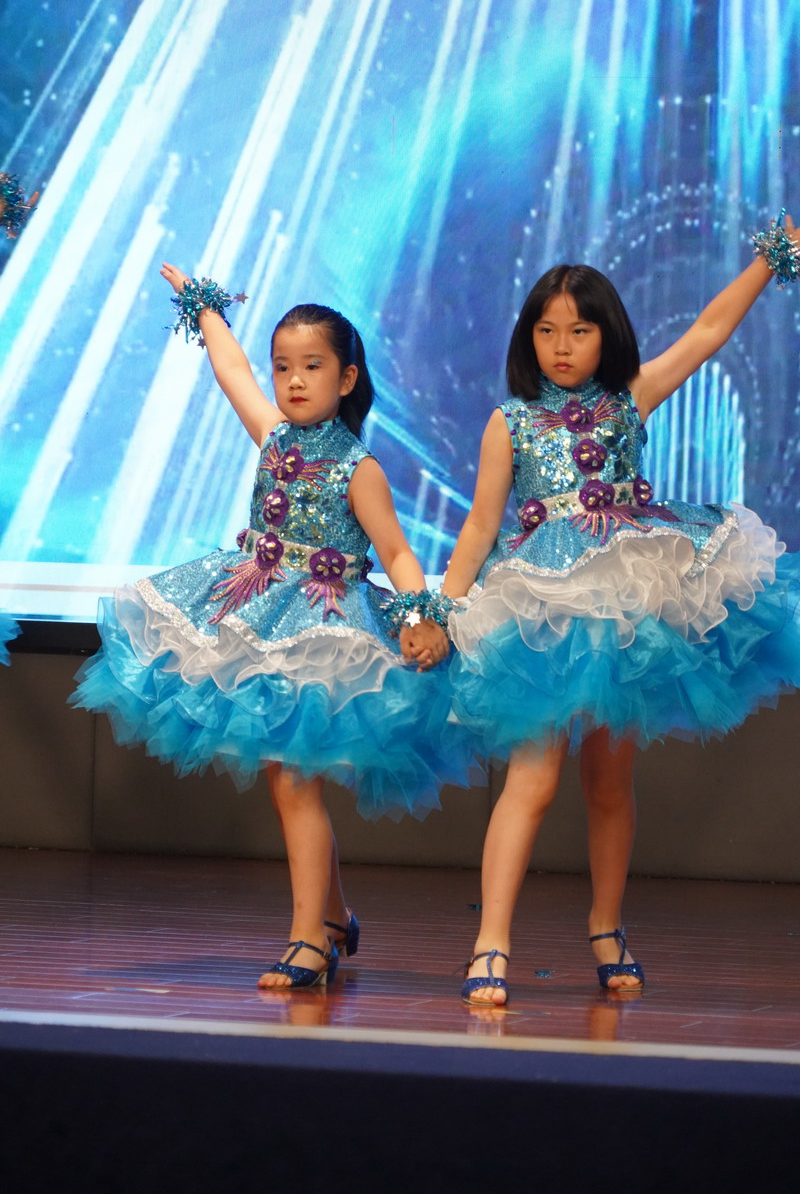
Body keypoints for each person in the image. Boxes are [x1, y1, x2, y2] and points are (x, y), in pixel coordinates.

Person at [442, 212, 800, 1005]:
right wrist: (438, 609)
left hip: (629, 605)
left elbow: (707, 333)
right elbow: (478, 527)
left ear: (607, 336)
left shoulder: (629, 400)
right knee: (532, 780)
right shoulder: (509, 422)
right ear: (528, 338)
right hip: (541, 612)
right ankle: (490, 941)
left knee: (608, 782)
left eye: (579, 330)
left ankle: (606, 927)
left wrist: (771, 259)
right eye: (546, 330)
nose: (562, 346)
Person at [72, 263, 462, 990]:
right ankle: (334, 920)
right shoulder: (275, 437)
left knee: (294, 783)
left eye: (312, 366)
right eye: (284, 367)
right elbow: (231, 373)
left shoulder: (359, 469)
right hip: (256, 609)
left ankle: (309, 939)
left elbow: (399, 552)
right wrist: (204, 308)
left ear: (347, 378)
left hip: (321, 630)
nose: (294, 380)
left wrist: (421, 616)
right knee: (291, 778)